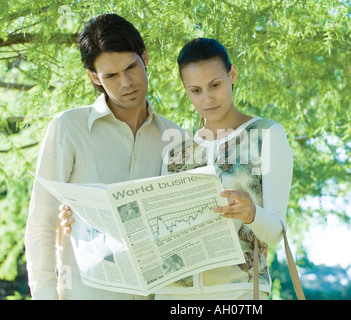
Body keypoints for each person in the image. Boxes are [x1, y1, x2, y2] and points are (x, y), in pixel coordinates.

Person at [60, 38, 294, 300]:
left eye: (215, 85)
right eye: (195, 90)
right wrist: (83, 218)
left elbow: (276, 231)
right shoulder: (177, 150)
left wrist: (252, 214)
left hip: (236, 292)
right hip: (171, 295)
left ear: (232, 74)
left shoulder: (266, 135)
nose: (207, 98)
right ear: (186, 90)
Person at [25, 13, 184, 300]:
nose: (126, 83)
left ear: (145, 57)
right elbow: (41, 222)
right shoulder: (68, 128)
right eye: (111, 75)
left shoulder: (177, 138)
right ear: (94, 77)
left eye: (131, 67)